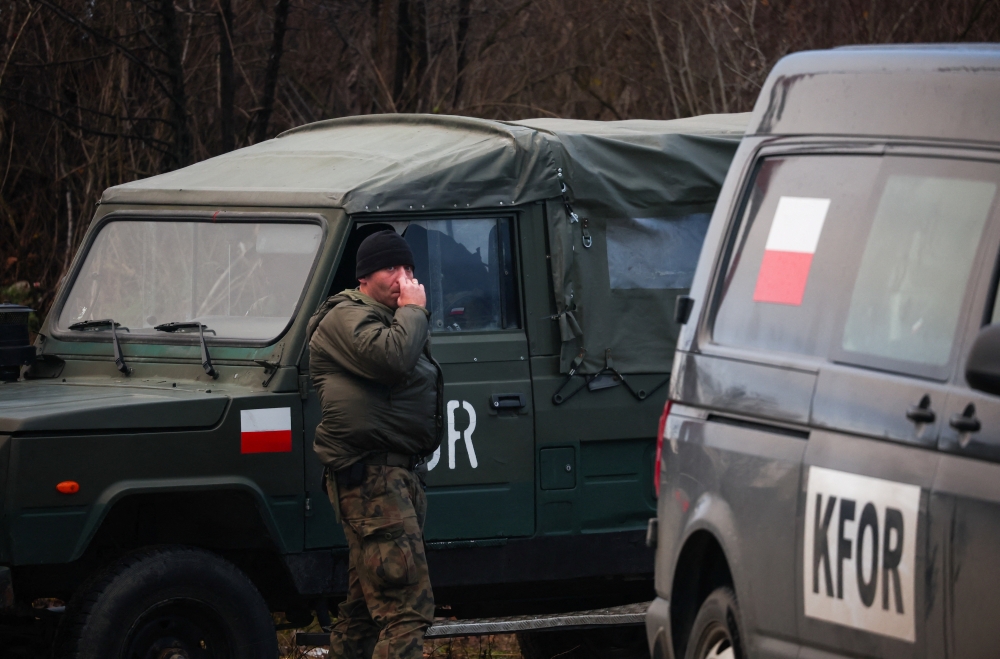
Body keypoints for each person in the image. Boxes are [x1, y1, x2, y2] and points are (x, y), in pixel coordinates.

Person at [307, 229, 443, 659]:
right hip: (372, 480)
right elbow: (392, 359)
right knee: (406, 610)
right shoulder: (346, 316)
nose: (403, 278)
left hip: (394, 476)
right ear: (365, 277)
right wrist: (415, 311)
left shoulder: (390, 316)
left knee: (367, 608)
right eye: (392, 269)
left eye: (408, 269)